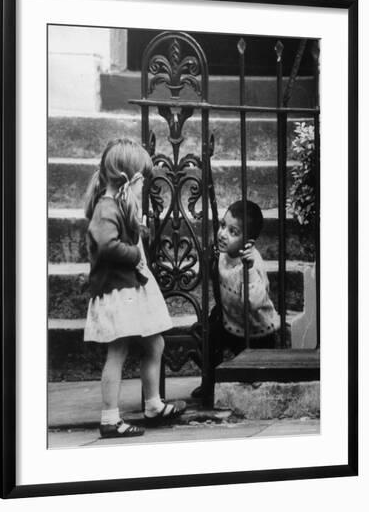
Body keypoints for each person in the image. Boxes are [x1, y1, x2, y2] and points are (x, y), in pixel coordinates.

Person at [84, 138, 187, 438]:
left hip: (130, 289)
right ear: (132, 180)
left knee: (155, 343)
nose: (145, 187)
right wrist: (134, 254)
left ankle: (153, 404)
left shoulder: (117, 205)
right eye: (144, 180)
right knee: (117, 351)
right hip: (117, 291)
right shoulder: (105, 207)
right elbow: (106, 245)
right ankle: (109, 419)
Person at [192, 200, 280, 398]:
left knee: (254, 380)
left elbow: (256, 302)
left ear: (248, 242)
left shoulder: (252, 263)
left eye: (233, 232)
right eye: (223, 225)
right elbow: (214, 276)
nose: (223, 234)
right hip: (230, 319)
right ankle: (210, 382)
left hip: (256, 329)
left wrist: (248, 271)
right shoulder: (222, 254)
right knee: (206, 335)